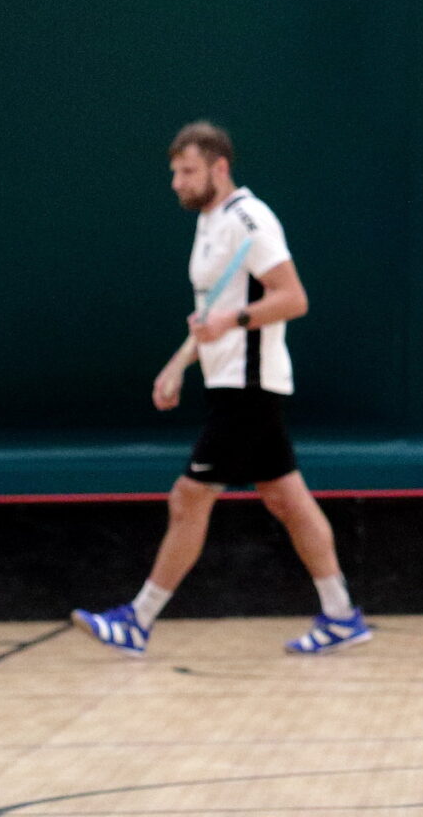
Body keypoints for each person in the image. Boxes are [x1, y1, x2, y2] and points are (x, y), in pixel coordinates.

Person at [72, 123, 369, 656]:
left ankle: (138, 620)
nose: (177, 183)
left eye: (187, 171)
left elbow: (293, 298)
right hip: (229, 382)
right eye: (174, 173)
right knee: (287, 499)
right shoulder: (209, 223)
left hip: (248, 386)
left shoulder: (250, 220)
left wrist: (231, 321)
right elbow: (210, 318)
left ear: (219, 167)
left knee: (189, 497)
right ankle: (342, 616)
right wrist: (178, 365)